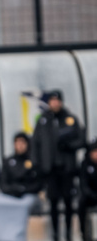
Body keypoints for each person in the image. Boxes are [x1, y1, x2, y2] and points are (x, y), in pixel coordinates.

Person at [31, 90, 85, 241]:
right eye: (52, 101)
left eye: (57, 100)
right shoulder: (43, 120)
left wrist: (69, 145)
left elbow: (82, 140)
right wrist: (38, 165)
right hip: (51, 170)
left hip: (67, 169)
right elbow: (35, 143)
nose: (55, 103)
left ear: (61, 102)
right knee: (53, 203)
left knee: (68, 202)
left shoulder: (70, 119)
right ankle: (55, 235)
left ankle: (68, 234)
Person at [0, 132, 42, 199]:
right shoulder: (8, 162)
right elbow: (3, 184)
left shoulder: (34, 161)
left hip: (29, 195)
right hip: (11, 195)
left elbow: (38, 183)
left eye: (23, 142)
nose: (20, 145)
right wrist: (15, 189)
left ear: (27, 144)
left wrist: (23, 189)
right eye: (17, 142)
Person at [78, 139, 97, 241]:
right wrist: (91, 194)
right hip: (90, 196)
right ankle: (84, 233)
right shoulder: (85, 164)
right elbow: (83, 184)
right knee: (82, 202)